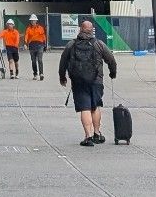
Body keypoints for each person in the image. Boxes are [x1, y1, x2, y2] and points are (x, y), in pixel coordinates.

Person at [58, 18, 117, 146]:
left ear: (80, 29)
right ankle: (96, 133)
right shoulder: (99, 44)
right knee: (95, 106)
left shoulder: (71, 44)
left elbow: (63, 62)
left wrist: (62, 77)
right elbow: (111, 59)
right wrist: (113, 72)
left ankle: (88, 136)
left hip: (78, 81)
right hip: (96, 81)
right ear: (92, 31)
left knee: (85, 108)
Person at [25, 15, 47, 80]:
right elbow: (26, 36)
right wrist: (25, 44)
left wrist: (45, 45)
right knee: (33, 61)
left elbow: (43, 36)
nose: (32, 21)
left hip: (40, 45)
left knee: (40, 60)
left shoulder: (40, 28)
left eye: (34, 20)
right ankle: (35, 74)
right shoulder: (28, 29)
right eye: (31, 20)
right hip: (32, 46)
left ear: (36, 21)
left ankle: (41, 74)